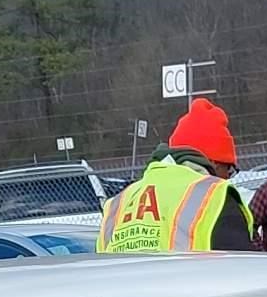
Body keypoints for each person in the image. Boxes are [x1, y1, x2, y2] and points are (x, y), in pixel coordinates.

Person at [96, 99, 254, 253]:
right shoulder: (213, 198)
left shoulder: (116, 206)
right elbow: (243, 271)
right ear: (214, 163)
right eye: (229, 169)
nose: (228, 177)